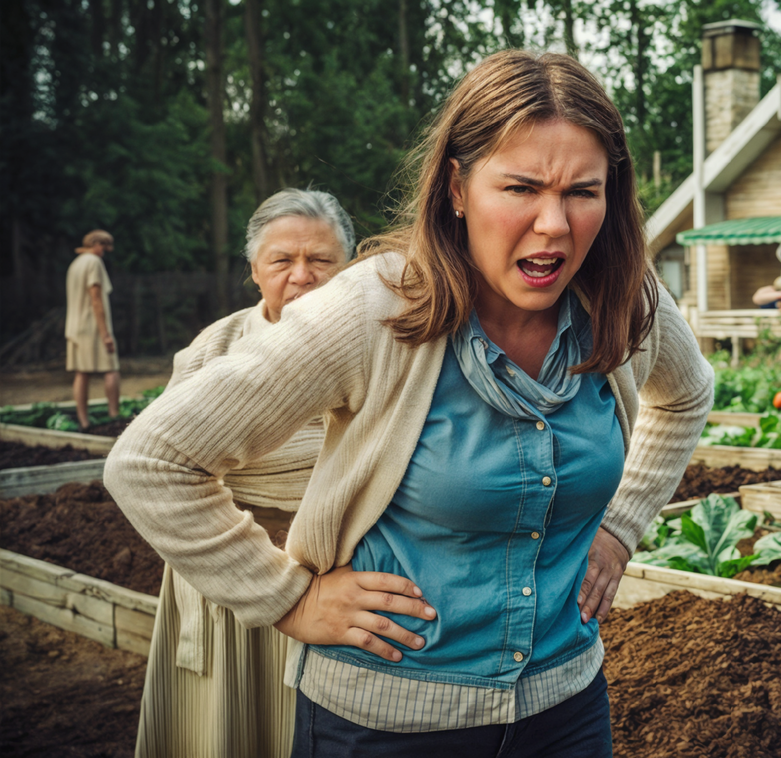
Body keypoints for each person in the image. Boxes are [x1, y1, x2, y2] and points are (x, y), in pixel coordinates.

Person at [106, 50, 714, 757]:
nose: (554, 224)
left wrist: (621, 527)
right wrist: (290, 599)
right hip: (386, 724)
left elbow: (688, 394)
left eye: (583, 190)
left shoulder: (624, 301)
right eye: (520, 187)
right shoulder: (373, 312)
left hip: (567, 710)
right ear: (456, 187)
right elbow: (152, 460)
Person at [136, 188, 356, 758]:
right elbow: (157, 466)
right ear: (255, 271)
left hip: (342, 578)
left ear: (350, 267)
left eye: (322, 260)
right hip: (231, 574)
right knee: (230, 731)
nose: (302, 276)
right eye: (282, 261)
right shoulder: (215, 349)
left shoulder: (384, 346)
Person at [65, 229, 120, 429]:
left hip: (74, 326)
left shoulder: (76, 263)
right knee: (112, 369)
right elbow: (96, 299)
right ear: (96, 244)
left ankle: (83, 420)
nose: (105, 251)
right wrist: (105, 334)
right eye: (104, 246)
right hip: (92, 326)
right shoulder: (94, 263)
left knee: (82, 372)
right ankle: (115, 417)